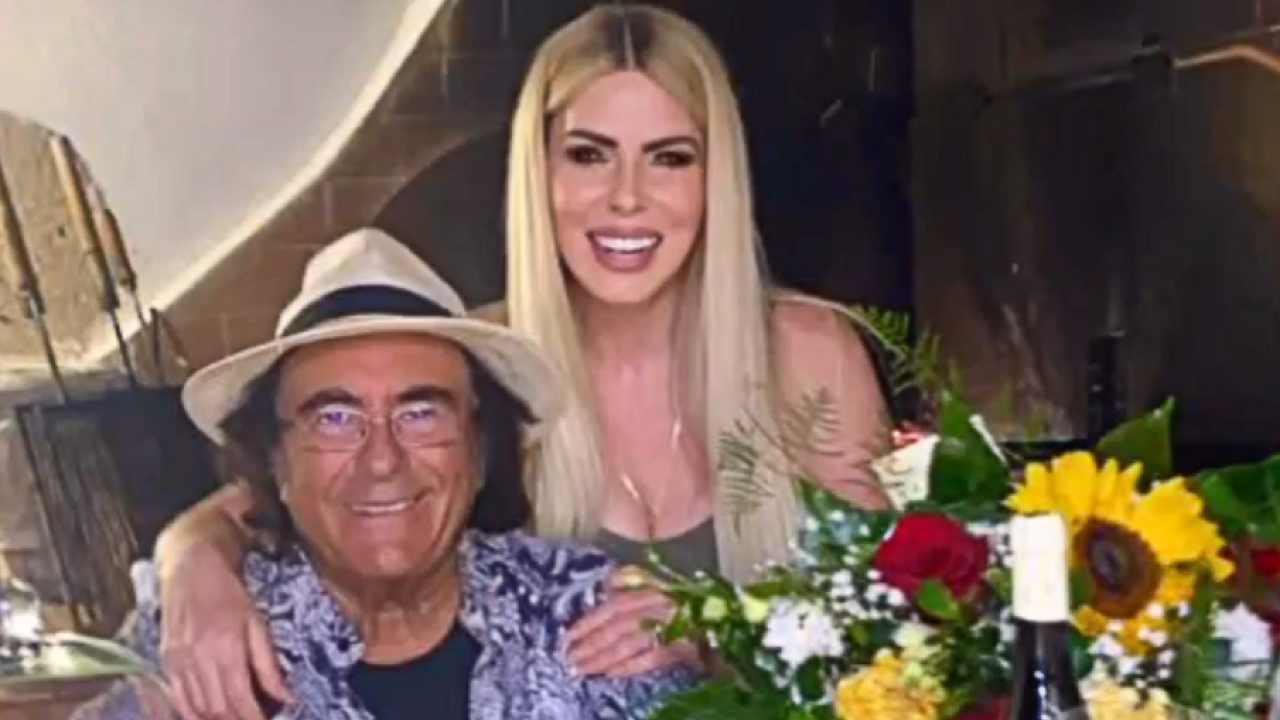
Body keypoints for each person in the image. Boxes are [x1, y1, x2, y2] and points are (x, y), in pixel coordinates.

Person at [154, 5, 892, 718]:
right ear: (538, 173)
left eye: (669, 158)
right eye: (588, 155)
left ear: (714, 179)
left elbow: (896, 640)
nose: (627, 199)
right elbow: (300, 485)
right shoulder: (482, 364)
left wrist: (713, 636)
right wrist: (192, 570)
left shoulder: (809, 355)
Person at [72, 228, 697, 720]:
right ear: (276, 461)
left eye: (421, 414)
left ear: (480, 451)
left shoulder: (585, 612)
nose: (382, 459)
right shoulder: (194, 640)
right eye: (335, 418)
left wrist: (712, 648)